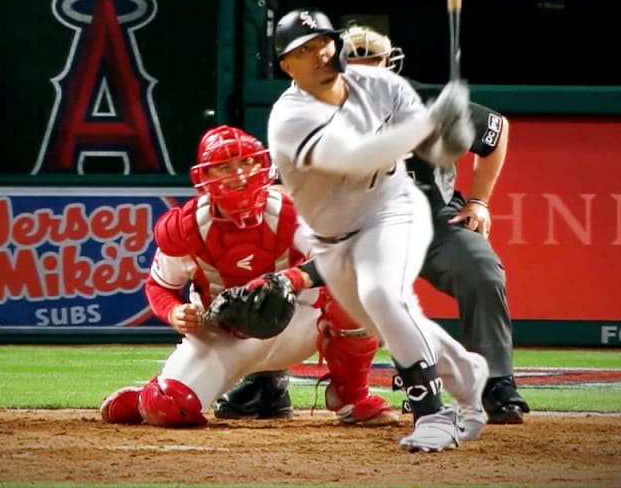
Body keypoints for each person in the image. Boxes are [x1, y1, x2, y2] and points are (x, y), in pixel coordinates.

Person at [265, 7, 489, 453]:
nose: (321, 53)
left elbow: (432, 150)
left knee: (382, 295)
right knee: (396, 320)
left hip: (391, 211)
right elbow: (356, 156)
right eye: (305, 50)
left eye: (325, 41)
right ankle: (466, 372)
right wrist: (431, 120)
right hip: (331, 238)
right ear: (286, 65)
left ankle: (433, 416)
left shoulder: (383, 85)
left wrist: (450, 134)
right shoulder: (289, 118)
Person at [99, 124, 397, 427]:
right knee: (169, 408)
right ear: (204, 176)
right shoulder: (185, 228)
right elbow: (158, 286)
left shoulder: (290, 210)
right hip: (223, 333)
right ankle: (142, 400)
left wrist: (290, 280)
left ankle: (351, 397)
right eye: (224, 167)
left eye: (247, 163)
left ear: (263, 165)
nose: (239, 176)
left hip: (299, 321)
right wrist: (174, 312)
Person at [339, 24, 531, 425]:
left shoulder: (427, 102)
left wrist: (478, 201)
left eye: (372, 62)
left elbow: (495, 132)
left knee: (480, 268)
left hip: (433, 221)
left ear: (390, 63)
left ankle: (495, 382)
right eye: (355, 64)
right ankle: (272, 381)